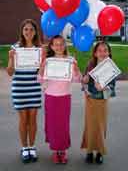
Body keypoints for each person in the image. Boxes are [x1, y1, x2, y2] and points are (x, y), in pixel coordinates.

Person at [38, 35, 81, 164]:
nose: (59, 46)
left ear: (65, 45)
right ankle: (55, 151)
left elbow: (77, 79)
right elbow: (40, 79)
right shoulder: (48, 61)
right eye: (56, 44)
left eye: (61, 44)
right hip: (50, 97)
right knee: (53, 125)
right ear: (51, 46)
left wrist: (75, 68)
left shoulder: (70, 60)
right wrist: (42, 67)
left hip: (64, 97)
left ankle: (63, 150)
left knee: (63, 125)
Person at [6, 19, 45, 163]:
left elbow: (41, 73)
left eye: (31, 29)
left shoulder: (39, 49)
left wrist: (43, 60)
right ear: (22, 32)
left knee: (33, 120)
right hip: (20, 88)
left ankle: (32, 146)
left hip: (34, 88)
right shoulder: (15, 48)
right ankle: (24, 148)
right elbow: (10, 72)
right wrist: (11, 58)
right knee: (23, 120)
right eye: (26, 29)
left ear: (35, 32)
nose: (28, 32)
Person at [81, 41, 116, 164]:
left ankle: (100, 152)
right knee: (90, 127)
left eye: (105, 50)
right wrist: (84, 81)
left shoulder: (111, 68)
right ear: (95, 53)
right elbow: (84, 82)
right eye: (100, 50)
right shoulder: (91, 65)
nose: (103, 53)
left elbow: (112, 88)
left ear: (109, 53)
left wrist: (104, 88)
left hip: (102, 101)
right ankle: (89, 152)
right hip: (90, 101)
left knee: (100, 127)